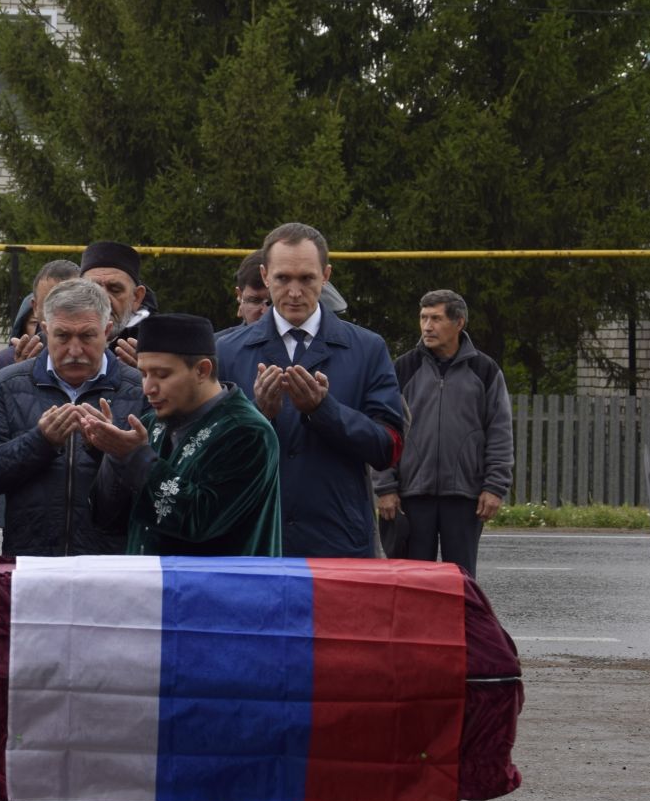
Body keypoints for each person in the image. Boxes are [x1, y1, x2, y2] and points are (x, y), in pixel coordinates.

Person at [83, 313, 283, 801]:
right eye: (143, 372)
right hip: (166, 630)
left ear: (203, 370)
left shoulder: (246, 433)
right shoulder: (166, 428)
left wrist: (137, 458)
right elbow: (115, 518)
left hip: (228, 639)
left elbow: (195, 517)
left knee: (224, 773)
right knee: (166, 772)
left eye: (161, 374)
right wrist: (118, 461)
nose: (148, 386)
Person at [0, 277, 139, 801]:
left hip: (110, 567)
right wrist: (40, 441)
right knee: (34, 706)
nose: (74, 349)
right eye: (61, 336)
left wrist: (117, 450)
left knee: (106, 706)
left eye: (87, 337)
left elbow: (151, 476)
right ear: (41, 331)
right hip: (33, 567)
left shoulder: (133, 386)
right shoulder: (12, 385)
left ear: (109, 332)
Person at [215, 223, 404, 559]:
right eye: (283, 278)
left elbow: (388, 447)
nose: (294, 292)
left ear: (326, 275)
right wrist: (259, 416)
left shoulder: (367, 348)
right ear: (265, 274)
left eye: (307, 279)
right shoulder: (227, 351)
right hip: (255, 539)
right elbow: (209, 453)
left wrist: (324, 411)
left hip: (337, 541)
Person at [371, 289, 512, 577]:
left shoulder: (484, 370)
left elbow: (499, 431)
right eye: (423, 317)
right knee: (412, 580)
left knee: (460, 581)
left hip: (464, 497)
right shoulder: (403, 368)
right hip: (412, 494)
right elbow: (383, 427)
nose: (427, 326)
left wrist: (494, 487)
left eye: (435, 318)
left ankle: (458, 625)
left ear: (458, 323)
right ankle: (414, 626)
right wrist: (385, 487)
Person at [0, 260, 81, 384]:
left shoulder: (104, 359)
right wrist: (19, 377)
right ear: (35, 308)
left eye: (71, 304)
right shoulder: (5, 363)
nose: (61, 314)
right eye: (50, 305)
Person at [81, 241, 150, 367]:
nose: (103, 299)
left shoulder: (154, 349)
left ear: (136, 298)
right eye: (92, 290)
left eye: (115, 290)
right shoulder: (49, 343)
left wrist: (149, 377)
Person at [231, 250, 269, 327]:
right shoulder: (221, 339)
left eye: (272, 303)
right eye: (255, 301)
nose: (265, 312)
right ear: (240, 296)